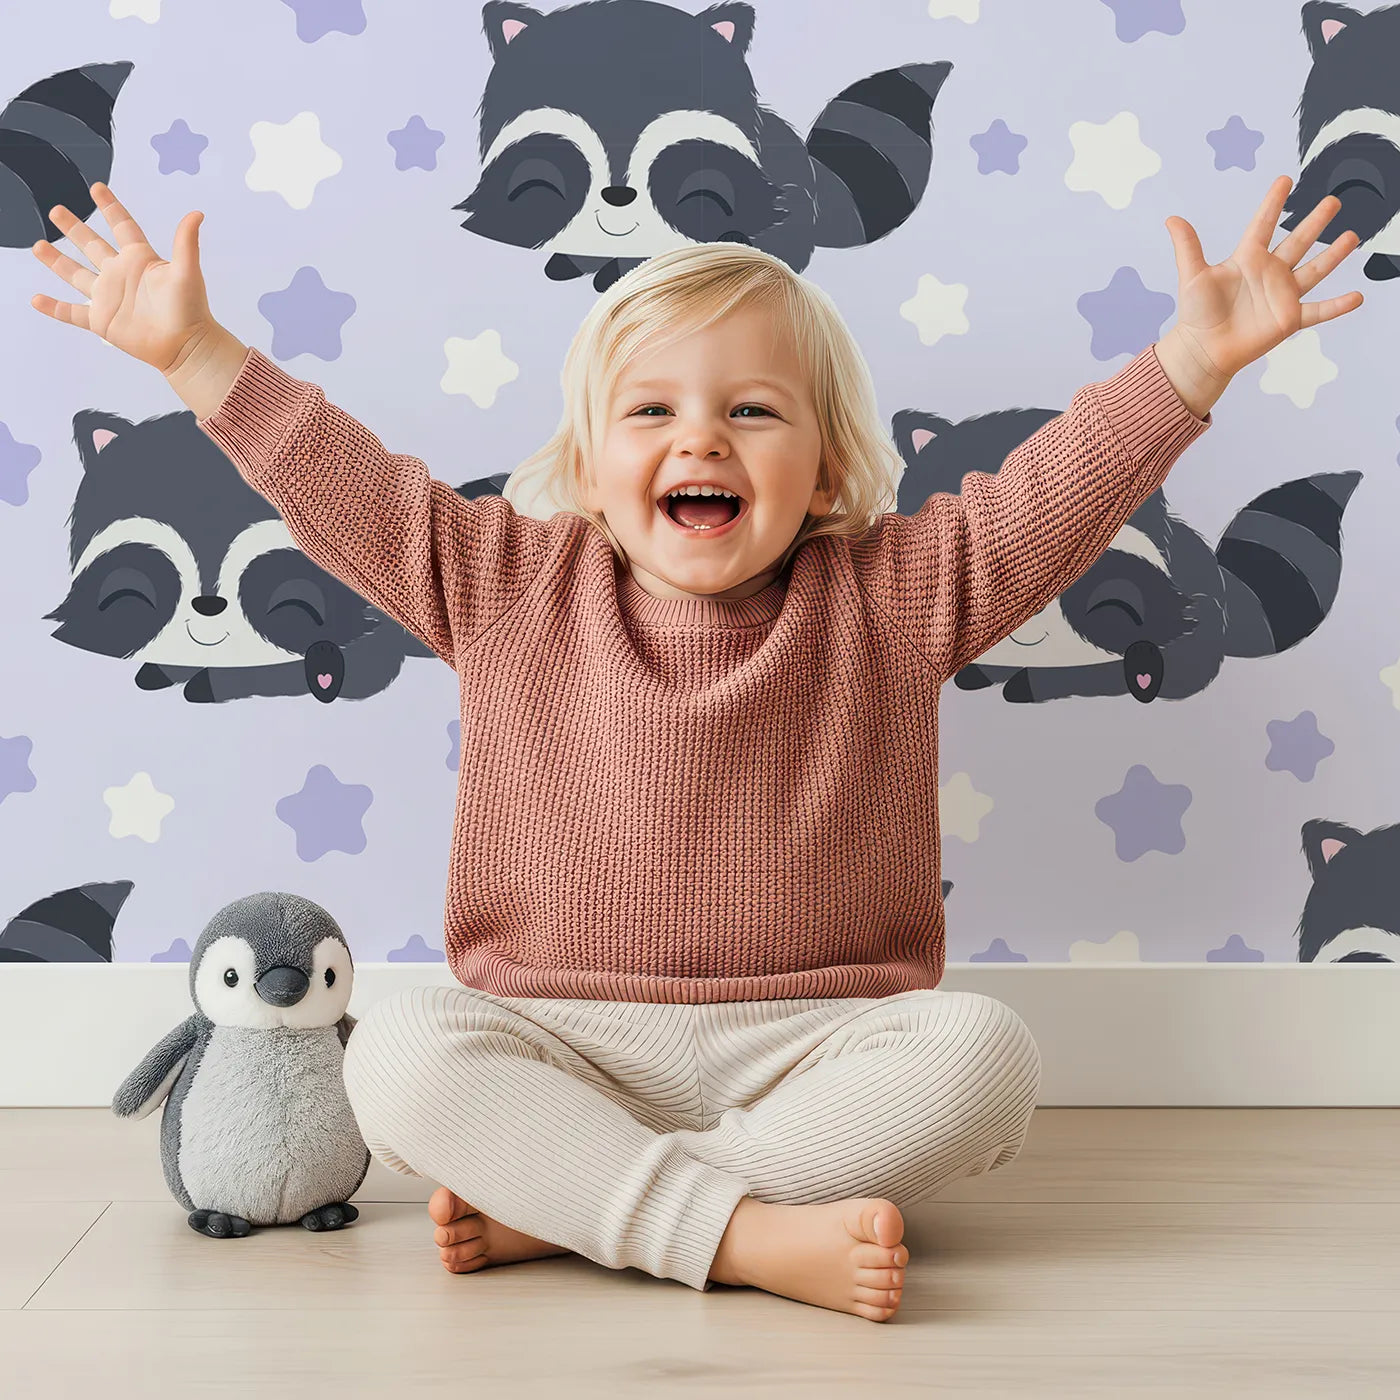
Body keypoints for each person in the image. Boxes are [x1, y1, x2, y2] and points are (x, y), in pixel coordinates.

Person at [29, 176, 1362, 1322]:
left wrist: (1188, 367)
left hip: (816, 1048)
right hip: (554, 1039)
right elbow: (343, 482)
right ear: (590, 465)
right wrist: (194, 351)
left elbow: (1047, 497)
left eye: (753, 413)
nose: (701, 438)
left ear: (831, 472)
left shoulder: (896, 595)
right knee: (394, 1057)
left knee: (985, 1057)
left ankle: (585, 1210)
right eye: (652, 412)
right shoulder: (500, 582)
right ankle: (738, 1234)